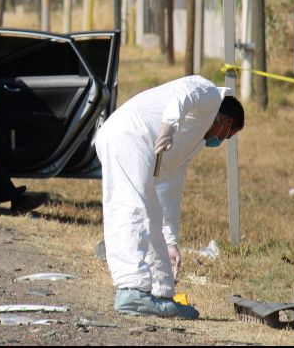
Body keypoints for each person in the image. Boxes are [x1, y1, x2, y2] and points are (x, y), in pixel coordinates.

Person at [94, 75, 244, 319]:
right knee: (132, 208)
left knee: (152, 214)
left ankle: (161, 293)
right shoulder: (209, 93)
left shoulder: (191, 142)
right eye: (226, 136)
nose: (220, 141)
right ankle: (132, 290)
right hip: (130, 134)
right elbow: (184, 93)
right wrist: (169, 126)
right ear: (226, 124)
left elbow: (169, 192)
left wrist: (171, 242)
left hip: (135, 142)